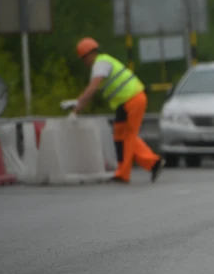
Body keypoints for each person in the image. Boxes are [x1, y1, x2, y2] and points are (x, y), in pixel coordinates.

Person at [66, 38, 164, 184]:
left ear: (90, 54)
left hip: (133, 99)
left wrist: (77, 105)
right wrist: (76, 107)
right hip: (124, 102)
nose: (84, 62)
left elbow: (92, 88)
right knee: (120, 136)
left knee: (128, 137)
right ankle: (153, 163)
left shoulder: (101, 64)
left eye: (83, 58)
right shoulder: (101, 64)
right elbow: (92, 91)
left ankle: (123, 174)